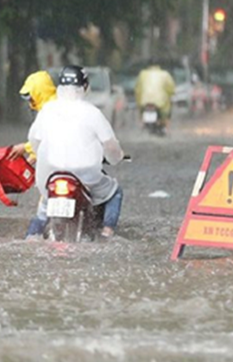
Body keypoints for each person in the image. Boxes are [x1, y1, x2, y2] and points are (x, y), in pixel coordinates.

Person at [25, 65, 125, 239]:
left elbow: (34, 141)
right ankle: (107, 233)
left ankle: (31, 236)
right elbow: (111, 147)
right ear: (85, 87)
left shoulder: (47, 111)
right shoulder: (93, 113)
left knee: (43, 209)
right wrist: (116, 158)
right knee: (115, 191)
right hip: (86, 176)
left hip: (50, 175)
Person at [9, 70, 57, 160]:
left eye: (30, 97)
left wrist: (25, 148)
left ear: (39, 92)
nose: (30, 101)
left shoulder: (53, 109)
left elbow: (51, 140)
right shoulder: (49, 107)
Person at [134, 62, 176, 132]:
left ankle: (142, 124)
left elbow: (137, 89)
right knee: (166, 113)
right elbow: (171, 88)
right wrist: (171, 94)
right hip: (160, 102)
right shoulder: (165, 74)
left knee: (141, 115)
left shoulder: (142, 74)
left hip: (144, 102)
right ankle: (165, 127)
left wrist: (139, 104)